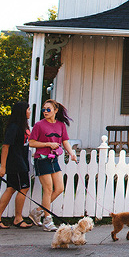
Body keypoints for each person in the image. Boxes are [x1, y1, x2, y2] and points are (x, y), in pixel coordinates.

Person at [28, 99, 77, 232]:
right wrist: (47, 144)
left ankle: (37, 211)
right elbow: (31, 142)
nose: (45, 112)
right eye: (44, 109)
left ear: (55, 111)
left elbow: (65, 141)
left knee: (60, 188)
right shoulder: (39, 125)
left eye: (48, 109)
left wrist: (71, 153)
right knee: (48, 190)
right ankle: (47, 221)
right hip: (41, 159)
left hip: (53, 159)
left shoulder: (60, 125)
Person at [0, 101, 33, 229]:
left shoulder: (23, 126)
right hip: (16, 162)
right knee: (23, 188)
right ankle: (18, 218)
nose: (30, 111)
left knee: (11, 188)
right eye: (28, 109)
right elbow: (5, 146)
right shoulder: (14, 127)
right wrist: (3, 166)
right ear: (22, 111)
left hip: (22, 160)